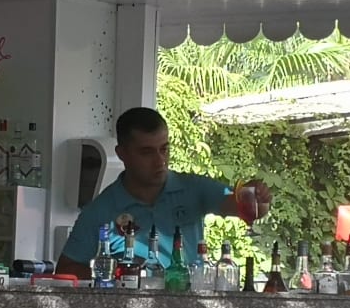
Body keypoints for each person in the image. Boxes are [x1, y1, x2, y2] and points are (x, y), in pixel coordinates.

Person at [56, 107, 271, 278]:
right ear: (122, 154)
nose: (160, 161)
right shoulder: (100, 211)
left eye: (164, 149)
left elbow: (246, 208)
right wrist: (115, 274)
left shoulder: (194, 188)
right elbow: (65, 270)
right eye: (146, 152)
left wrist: (257, 198)